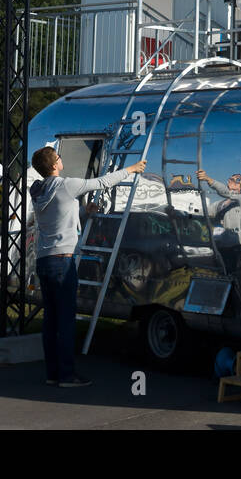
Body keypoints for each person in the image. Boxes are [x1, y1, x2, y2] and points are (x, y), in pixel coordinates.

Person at [30, 146, 146, 388]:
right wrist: (131, 169)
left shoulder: (38, 189)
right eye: (59, 158)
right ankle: (67, 375)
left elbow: (58, 215)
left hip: (44, 259)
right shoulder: (66, 185)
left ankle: (53, 373)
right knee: (65, 320)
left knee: (50, 320)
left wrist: (83, 211)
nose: (62, 160)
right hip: (63, 260)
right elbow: (103, 182)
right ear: (54, 166)